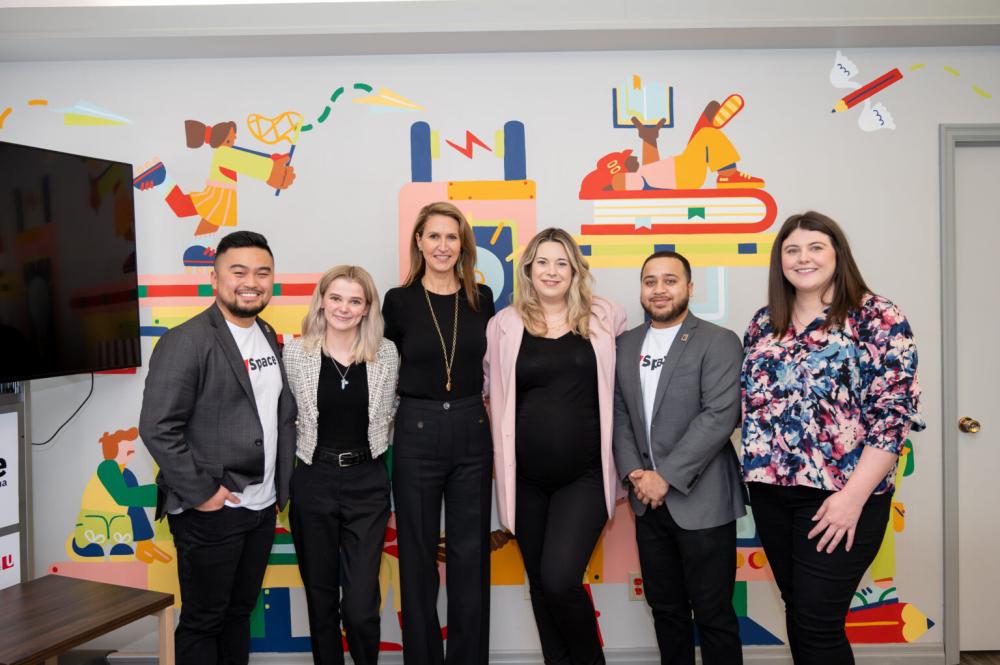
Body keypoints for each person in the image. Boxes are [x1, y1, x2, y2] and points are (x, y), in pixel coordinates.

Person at [741, 211, 925, 664]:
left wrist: (851, 499)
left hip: (842, 497)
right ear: (779, 261)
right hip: (771, 495)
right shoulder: (764, 324)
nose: (803, 258)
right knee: (802, 616)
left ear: (837, 254)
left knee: (817, 625)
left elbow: (894, 415)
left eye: (815, 247)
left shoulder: (877, 316)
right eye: (792, 250)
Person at [139, 230, 296, 665]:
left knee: (238, 614)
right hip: (213, 509)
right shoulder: (186, 340)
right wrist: (204, 493)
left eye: (262, 272)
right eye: (239, 271)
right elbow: (157, 426)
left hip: (262, 507)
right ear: (215, 278)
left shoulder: (265, 333)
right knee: (204, 620)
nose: (252, 281)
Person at [484, 227, 627, 665]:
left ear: (575, 271)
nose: (551, 271)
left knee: (561, 580)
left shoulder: (606, 316)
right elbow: (491, 389)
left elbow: (622, 390)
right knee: (542, 587)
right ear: (528, 269)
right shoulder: (504, 324)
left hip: (583, 478)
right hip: (524, 480)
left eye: (561, 262)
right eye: (542, 262)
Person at [612, 250, 746, 665]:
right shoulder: (624, 345)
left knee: (714, 614)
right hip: (647, 503)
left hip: (702, 502)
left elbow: (719, 416)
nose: (659, 289)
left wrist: (663, 476)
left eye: (670, 280)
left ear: (689, 288)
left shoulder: (718, 341)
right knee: (666, 611)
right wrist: (636, 472)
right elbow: (617, 414)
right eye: (650, 281)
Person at [382, 201, 495, 665]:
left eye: (452, 237)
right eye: (434, 236)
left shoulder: (481, 298)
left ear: (463, 245)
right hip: (417, 430)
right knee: (417, 555)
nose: (443, 246)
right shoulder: (398, 300)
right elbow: (384, 370)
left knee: (471, 556)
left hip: (472, 428)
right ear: (419, 242)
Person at [282, 265, 399, 665]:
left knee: (361, 603)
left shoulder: (385, 353)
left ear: (367, 308)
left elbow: (393, 410)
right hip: (314, 478)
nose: (343, 308)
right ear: (321, 300)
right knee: (320, 597)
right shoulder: (296, 353)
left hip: (367, 481)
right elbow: (285, 417)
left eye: (354, 300)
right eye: (336, 298)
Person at [133, 120, 296, 236]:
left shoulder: (224, 152)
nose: (234, 142)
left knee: (199, 216)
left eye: (234, 139)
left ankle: (197, 249)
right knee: (190, 211)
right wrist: (271, 171)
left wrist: (272, 161)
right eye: (231, 139)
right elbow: (246, 162)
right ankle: (161, 178)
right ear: (222, 139)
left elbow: (247, 158)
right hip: (218, 197)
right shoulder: (224, 152)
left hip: (219, 197)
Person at [579, 95, 764, 196]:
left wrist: (649, 138)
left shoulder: (641, 174)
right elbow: (620, 183)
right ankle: (728, 175)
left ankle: (708, 121)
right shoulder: (626, 180)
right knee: (707, 135)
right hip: (682, 175)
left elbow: (652, 167)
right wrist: (613, 184)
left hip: (680, 169)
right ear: (618, 171)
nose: (632, 156)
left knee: (703, 135)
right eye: (627, 159)